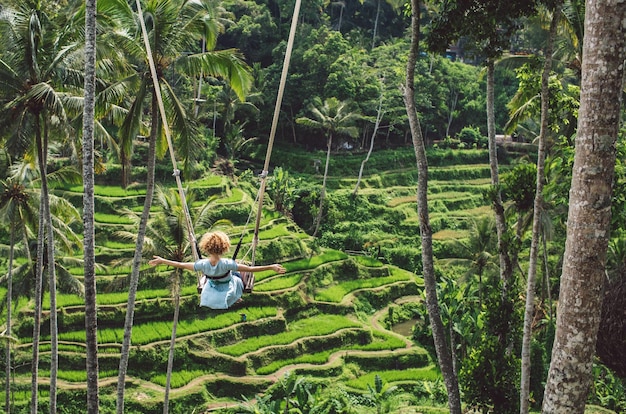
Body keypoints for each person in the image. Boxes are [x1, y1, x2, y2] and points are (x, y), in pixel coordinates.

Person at [149, 231, 286, 309]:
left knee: (225, 273)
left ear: (206, 247)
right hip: (229, 285)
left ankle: (232, 297)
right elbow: (251, 268)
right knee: (239, 274)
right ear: (224, 247)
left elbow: (182, 265)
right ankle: (236, 297)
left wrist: (162, 261)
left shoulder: (202, 264)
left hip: (211, 286)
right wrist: (271, 267)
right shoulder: (227, 263)